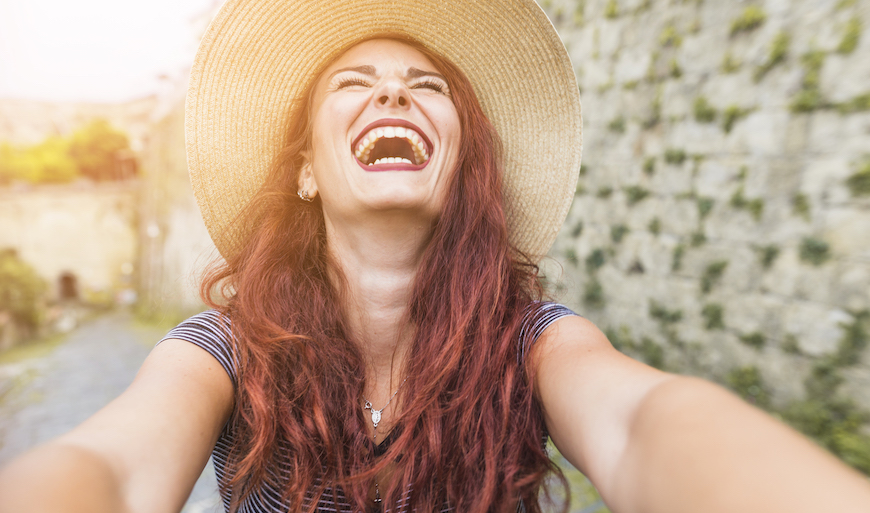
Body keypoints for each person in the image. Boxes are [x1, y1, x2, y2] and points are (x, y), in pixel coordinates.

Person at [1, 1, 870, 512]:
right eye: (354, 82)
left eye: (428, 87)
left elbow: (643, 424)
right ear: (305, 171)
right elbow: (113, 469)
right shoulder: (226, 347)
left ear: (461, 165)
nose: (392, 90)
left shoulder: (532, 338)